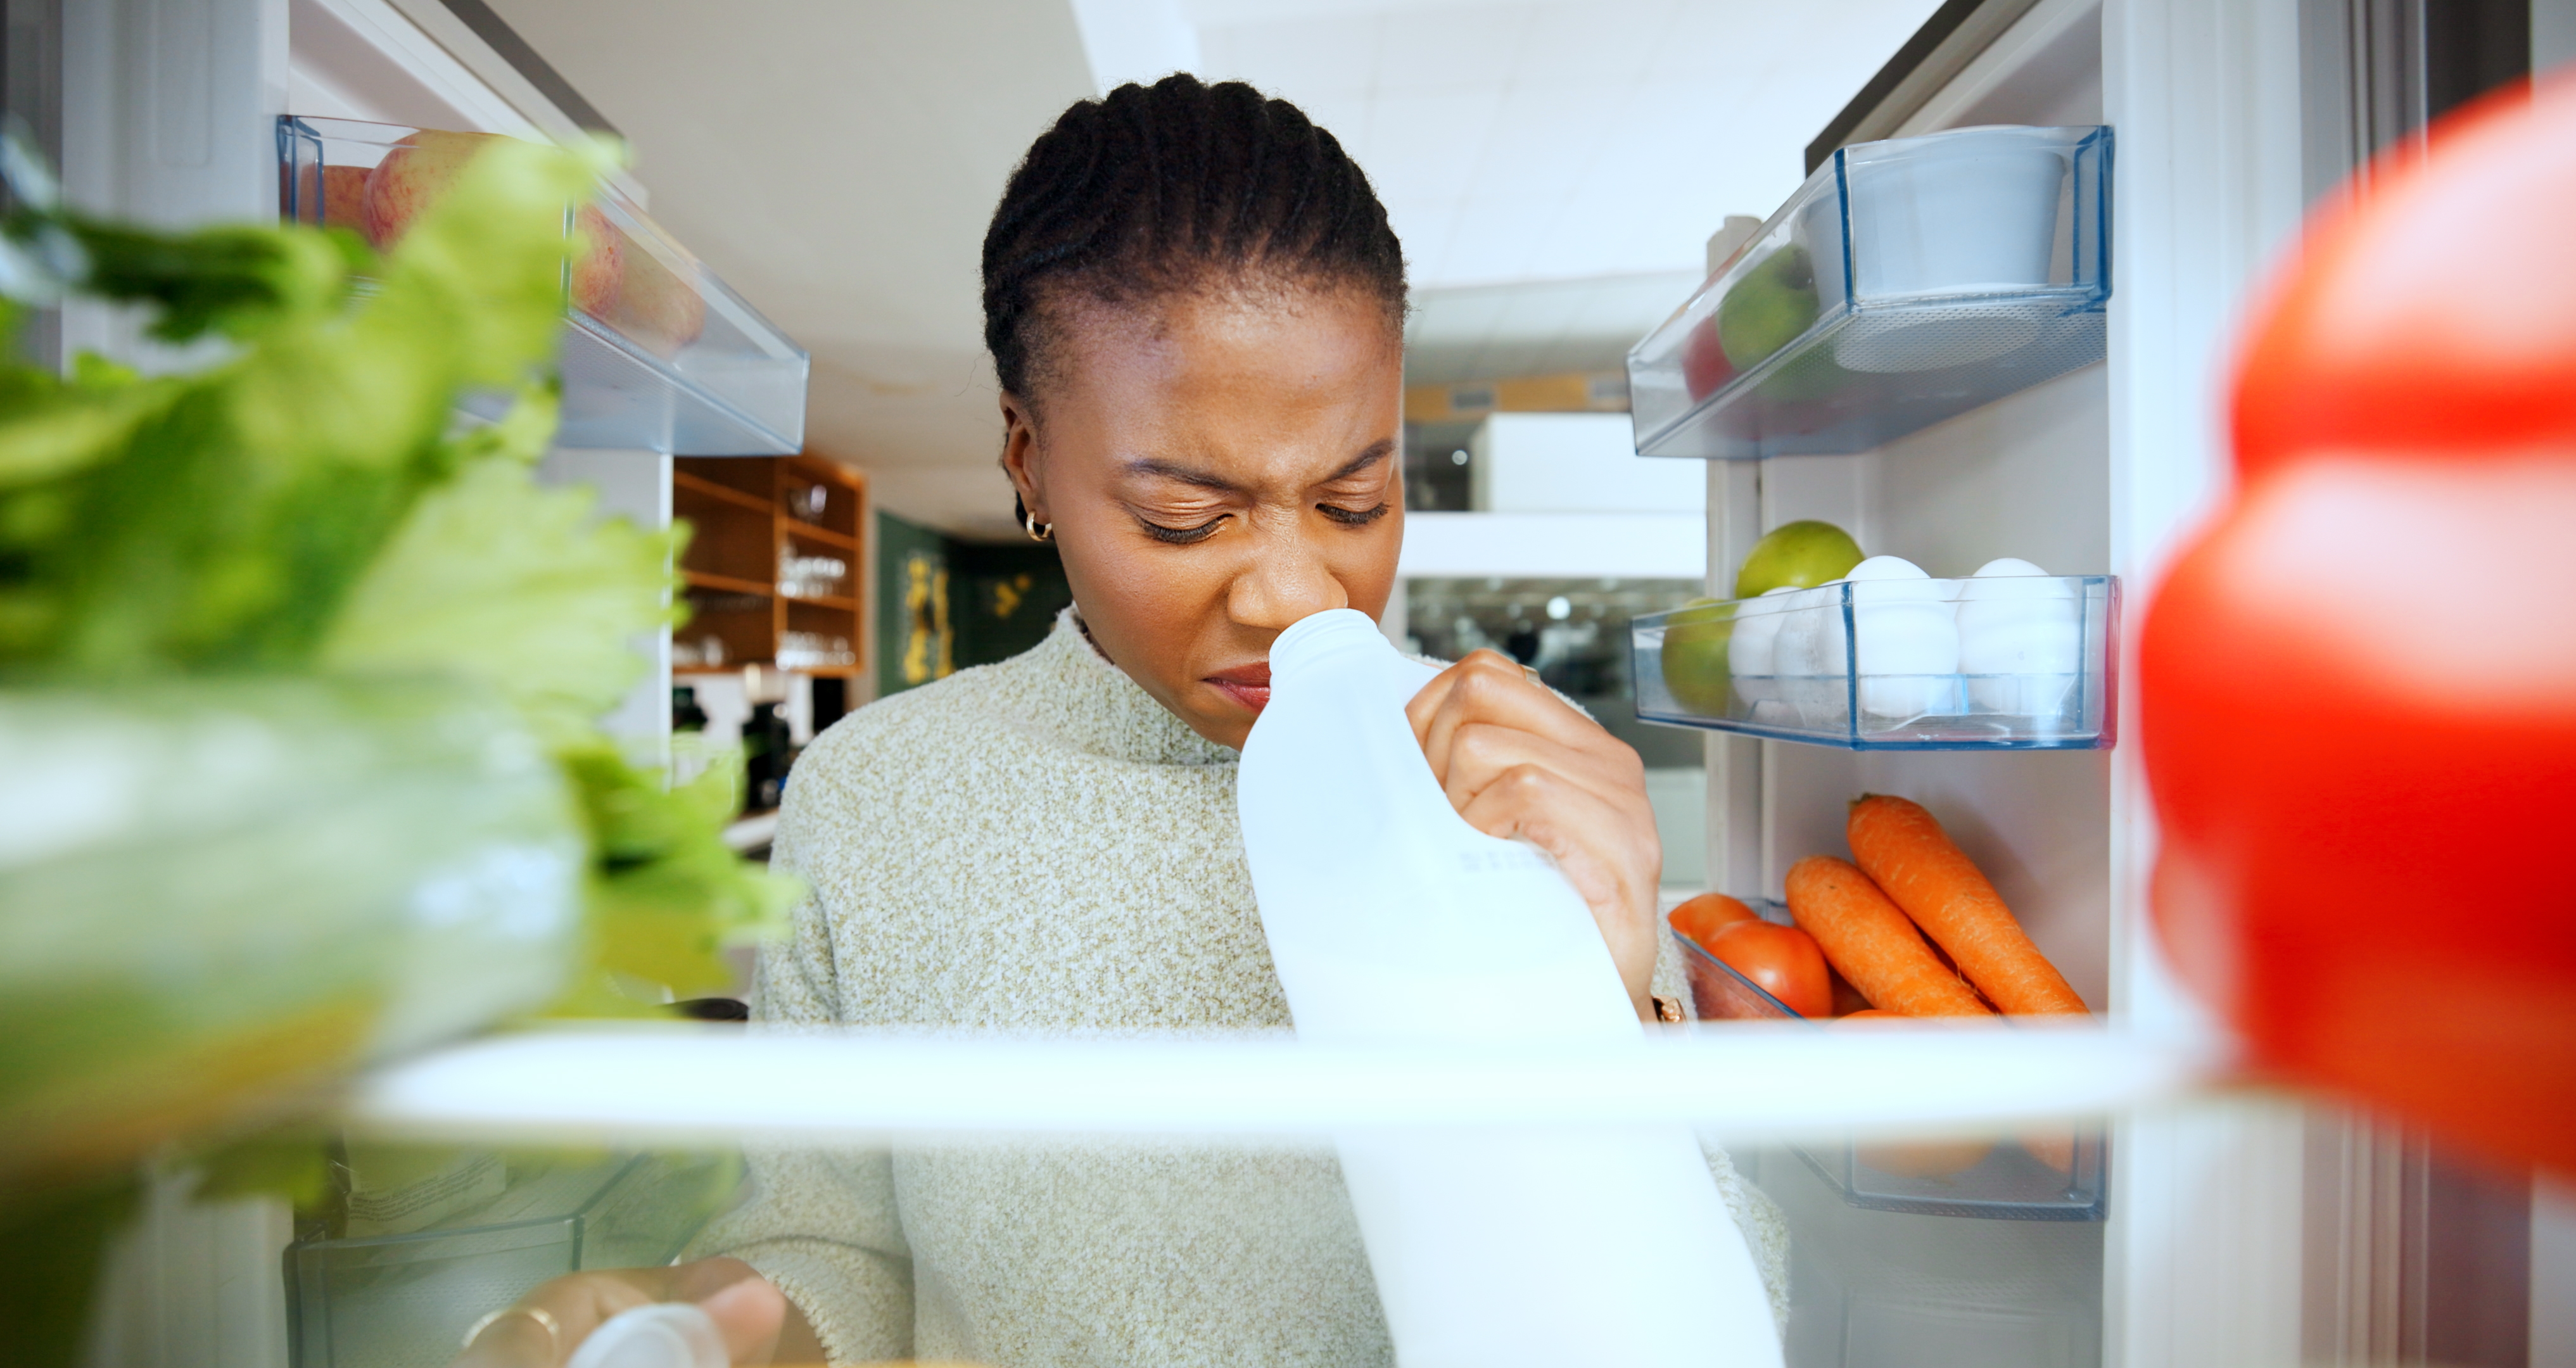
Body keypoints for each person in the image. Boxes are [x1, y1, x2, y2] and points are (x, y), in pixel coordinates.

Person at [456, 74, 1787, 1368]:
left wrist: (1621, 1021)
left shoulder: (1502, 783)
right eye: (1182, 518)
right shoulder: (874, 795)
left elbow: (1732, 1304)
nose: (1293, 594)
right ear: (1027, 458)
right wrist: (700, 1328)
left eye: (1354, 499)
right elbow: (835, 1251)